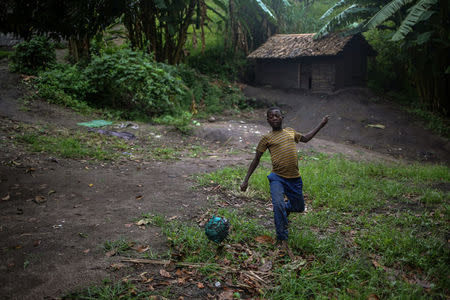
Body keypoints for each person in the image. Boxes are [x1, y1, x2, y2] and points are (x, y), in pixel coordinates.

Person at [240, 107, 329, 259]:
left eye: (277, 115)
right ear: (268, 120)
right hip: (277, 178)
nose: (274, 118)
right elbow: (256, 160)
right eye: (271, 116)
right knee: (278, 204)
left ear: (282, 117)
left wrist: (321, 125)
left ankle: (283, 210)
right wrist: (246, 180)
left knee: (299, 207)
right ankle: (282, 238)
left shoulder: (290, 132)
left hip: (294, 179)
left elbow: (306, 138)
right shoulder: (266, 139)